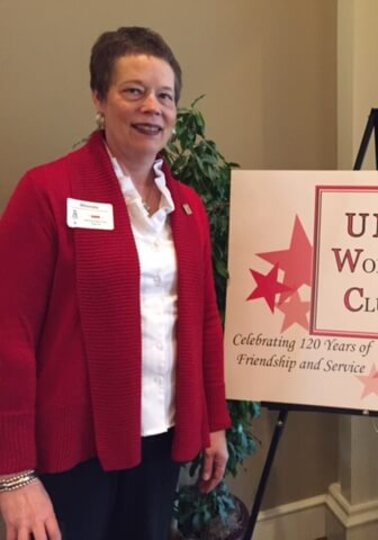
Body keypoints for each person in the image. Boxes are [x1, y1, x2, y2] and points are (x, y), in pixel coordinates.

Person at [0, 27, 231, 539]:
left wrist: (213, 419)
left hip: (159, 441)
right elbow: (8, 334)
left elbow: (203, 320)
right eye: (134, 91)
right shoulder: (47, 193)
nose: (153, 106)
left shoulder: (188, 207)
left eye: (165, 95)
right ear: (99, 99)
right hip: (72, 450)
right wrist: (12, 474)